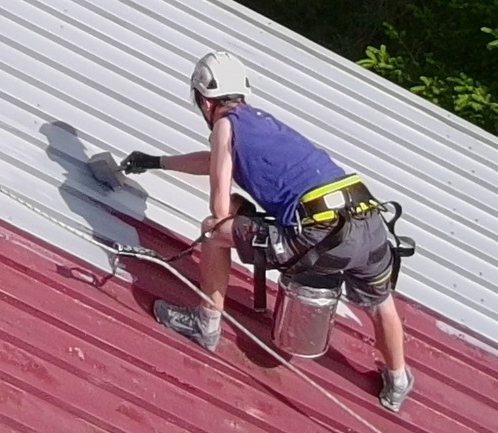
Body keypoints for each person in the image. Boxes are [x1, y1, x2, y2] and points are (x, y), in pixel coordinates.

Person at [121, 51, 413, 414]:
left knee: (215, 231)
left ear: (202, 99)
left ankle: (205, 322)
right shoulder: (261, 122)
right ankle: (398, 381)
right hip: (367, 218)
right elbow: (214, 159)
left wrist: (228, 221)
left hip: (319, 230)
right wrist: (156, 162)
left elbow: (218, 206)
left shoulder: (225, 126)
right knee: (379, 301)